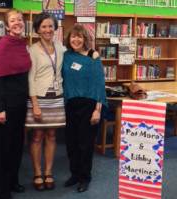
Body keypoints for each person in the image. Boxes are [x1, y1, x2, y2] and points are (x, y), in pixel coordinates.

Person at [0, 9, 32, 199]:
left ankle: (12, 182)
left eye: (20, 20)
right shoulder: (3, 46)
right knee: (0, 149)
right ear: (6, 26)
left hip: (19, 104)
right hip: (3, 106)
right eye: (12, 21)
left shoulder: (22, 45)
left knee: (15, 147)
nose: (17, 23)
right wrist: (0, 108)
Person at [62, 25, 107, 193]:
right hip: (70, 104)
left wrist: (98, 109)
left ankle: (84, 178)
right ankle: (74, 175)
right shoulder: (66, 56)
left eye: (79, 37)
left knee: (85, 144)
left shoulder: (93, 56)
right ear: (69, 39)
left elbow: (99, 83)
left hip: (89, 105)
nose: (76, 40)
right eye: (73, 36)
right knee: (71, 143)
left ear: (85, 39)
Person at [26, 12, 65, 191]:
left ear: (55, 28)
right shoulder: (32, 50)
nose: (48, 30)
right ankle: (37, 172)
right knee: (37, 136)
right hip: (39, 99)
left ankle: (48, 172)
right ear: (37, 30)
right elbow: (30, 78)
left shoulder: (60, 46)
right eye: (44, 27)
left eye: (50, 26)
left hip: (57, 97)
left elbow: (77, 54)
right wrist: (34, 104)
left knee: (51, 136)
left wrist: (92, 54)